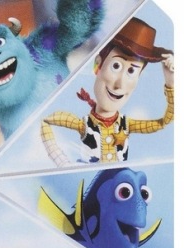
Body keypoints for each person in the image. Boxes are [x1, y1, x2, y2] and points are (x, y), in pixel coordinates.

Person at [41, 17, 174, 166]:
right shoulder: (84, 124)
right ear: (98, 65)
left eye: (131, 71)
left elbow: (164, 122)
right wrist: (63, 163)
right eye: (116, 66)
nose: (120, 84)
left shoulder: (126, 125)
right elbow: (46, 121)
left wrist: (171, 83)